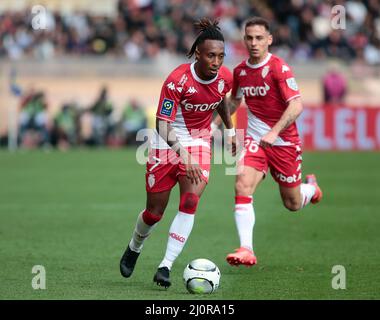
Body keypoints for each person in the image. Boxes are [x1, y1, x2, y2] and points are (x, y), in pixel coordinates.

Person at [119, 18, 236, 288]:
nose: (216, 62)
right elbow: (162, 124)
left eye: (220, 56)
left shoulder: (225, 78)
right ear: (198, 54)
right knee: (154, 213)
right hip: (166, 143)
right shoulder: (177, 80)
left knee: (190, 202)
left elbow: (221, 102)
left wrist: (229, 131)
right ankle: (134, 246)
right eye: (211, 56)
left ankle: (165, 266)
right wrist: (183, 155)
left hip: (199, 142)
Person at [214, 17, 323, 267]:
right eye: (249, 38)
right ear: (244, 40)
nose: (254, 43)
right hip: (254, 140)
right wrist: (214, 125)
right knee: (242, 185)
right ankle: (246, 249)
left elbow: (296, 105)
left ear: (269, 40)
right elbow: (233, 102)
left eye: (259, 38)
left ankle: (312, 189)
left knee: (292, 203)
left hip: (284, 143)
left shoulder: (278, 68)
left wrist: (274, 132)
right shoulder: (240, 71)